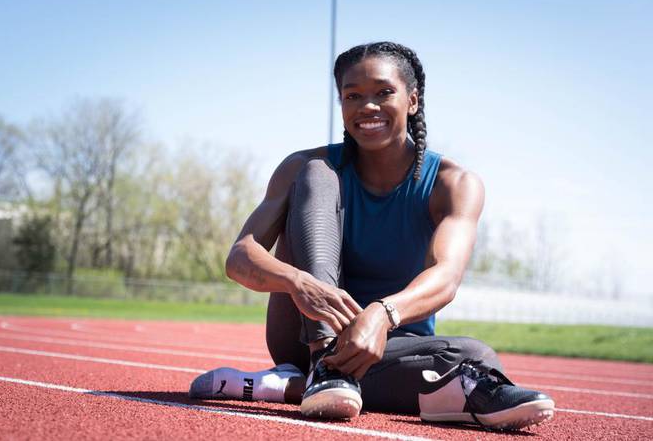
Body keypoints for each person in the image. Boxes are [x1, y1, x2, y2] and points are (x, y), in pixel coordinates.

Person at [188, 41, 554, 430]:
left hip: (388, 344)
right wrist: (297, 283)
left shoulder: (453, 184)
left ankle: (297, 384)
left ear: (412, 100)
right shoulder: (302, 166)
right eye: (353, 96)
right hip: (301, 334)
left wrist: (382, 314)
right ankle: (323, 365)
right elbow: (239, 257)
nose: (368, 106)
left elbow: (446, 277)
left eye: (383, 93)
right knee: (316, 174)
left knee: (475, 356)